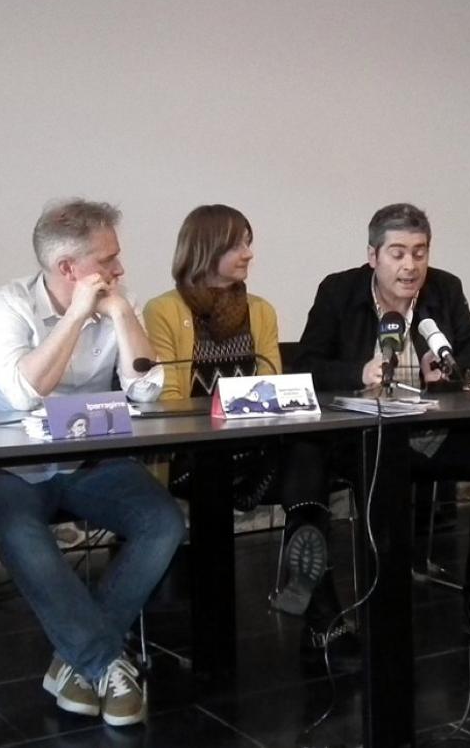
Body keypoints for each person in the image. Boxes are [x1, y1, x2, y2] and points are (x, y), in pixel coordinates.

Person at [0, 198, 185, 727]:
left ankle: (76, 662)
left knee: (163, 520)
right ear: (69, 268)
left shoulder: (119, 302)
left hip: (86, 459)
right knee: (23, 532)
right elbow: (24, 394)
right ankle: (104, 662)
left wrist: (122, 314)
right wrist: (75, 317)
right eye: (108, 260)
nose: (120, 269)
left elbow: (148, 390)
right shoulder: (8, 304)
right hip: (7, 466)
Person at [296, 202, 470, 647]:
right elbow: (307, 364)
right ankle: (380, 614)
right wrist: (357, 372)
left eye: (420, 253)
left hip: (429, 432)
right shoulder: (338, 291)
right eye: (398, 253)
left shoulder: (444, 288)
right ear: (373, 256)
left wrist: (448, 370)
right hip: (362, 435)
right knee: (377, 467)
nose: (411, 266)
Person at [143, 204, 358, 662]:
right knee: (306, 469)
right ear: (207, 248)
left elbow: (274, 389)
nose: (248, 253)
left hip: (259, 451)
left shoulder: (260, 311)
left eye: (248, 242)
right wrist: (234, 406)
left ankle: (309, 579)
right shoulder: (163, 310)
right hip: (196, 457)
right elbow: (170, 401)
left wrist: (256, 406)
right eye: (238, 244)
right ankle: (323, 621)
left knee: (307, 445)